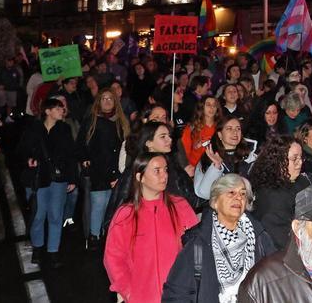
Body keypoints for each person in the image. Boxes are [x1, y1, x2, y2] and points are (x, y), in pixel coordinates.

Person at [163, 174, 277, 303]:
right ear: (215, 202)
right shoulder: (198, 242)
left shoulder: (259, 237)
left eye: (243, 194)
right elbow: (177, 293)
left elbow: (277, 280)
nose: (238, 198)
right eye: (231, 192)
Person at [105, 153, 200, 303]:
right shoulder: (126, 214)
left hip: (179, 295)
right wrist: (128, 291)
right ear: (140, 177)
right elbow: (113, 258)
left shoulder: (180, 206)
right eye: (157, 171)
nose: (164, 175)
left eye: (165, 169)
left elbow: (197, 248)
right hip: (141, 297)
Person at [17, 96, 79, 266]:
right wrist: (29, 158)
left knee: (55, 215)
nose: (62, 111)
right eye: (58, 108)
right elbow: (22, 149)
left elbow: (71, 155)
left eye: (62, 108)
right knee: (38, 214)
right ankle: (37, 247)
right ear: (48, 111)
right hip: (39, 178)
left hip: (59, 178)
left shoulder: (64, 129)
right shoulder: (33, 129)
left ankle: (53, 251)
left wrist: (72, 178)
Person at [106, 121, 198, 230]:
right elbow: (121, 203)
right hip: (144, 228)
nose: (169, 139)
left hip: (174, 226)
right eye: (163, 136)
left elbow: (191, 197)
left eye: (169, 136)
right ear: (149, 142)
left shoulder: (172, 165)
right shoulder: (137, 168)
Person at [78, 87, 130, 250]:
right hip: (98, 169)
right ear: (98, 102)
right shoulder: (91, 120)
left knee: (113, 205)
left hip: (117, 169)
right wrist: (84, 158)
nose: (107, 102)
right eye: (104, 99)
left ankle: (108, 236)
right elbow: (80, 142)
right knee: (99, 203)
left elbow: (128, 144)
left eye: (110, 99)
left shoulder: (122, 121)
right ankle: (95, 236)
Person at [248, 136, 311, 248]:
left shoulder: (301, 182)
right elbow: (282, 240)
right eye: (294, 159)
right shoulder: (271, 196)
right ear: (278, 160)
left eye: (301, 158)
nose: (300, 163)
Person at [195, 115, 259, 200]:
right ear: (220, 134)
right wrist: (216, 167)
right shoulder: (208, 158)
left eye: (238, 129)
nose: (235, 132)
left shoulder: (251, 157)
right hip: (219, 209)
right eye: (229, 128)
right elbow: (203, 193)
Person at [182, 96, 221, 168]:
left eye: (214, 105)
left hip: (216, 167)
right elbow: (184, 152)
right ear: (201, 107)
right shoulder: (191, 127)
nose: (212, 108)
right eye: (208, 105)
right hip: (195, 167)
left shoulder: (221, 127)